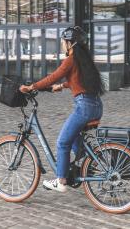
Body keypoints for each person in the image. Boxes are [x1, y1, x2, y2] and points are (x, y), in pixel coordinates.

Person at [20, 26, 105, 193]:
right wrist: (63, 86)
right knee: (73, 137)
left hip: (84, 107)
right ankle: (87, 162)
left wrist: (32, 87)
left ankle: (61, 180)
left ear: (69, 43)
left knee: (62, 142)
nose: (62, 44)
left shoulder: (71, 60)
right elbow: (78, 80)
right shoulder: (83, 60)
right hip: (96, 106)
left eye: (62, 42)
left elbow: (53, 76)